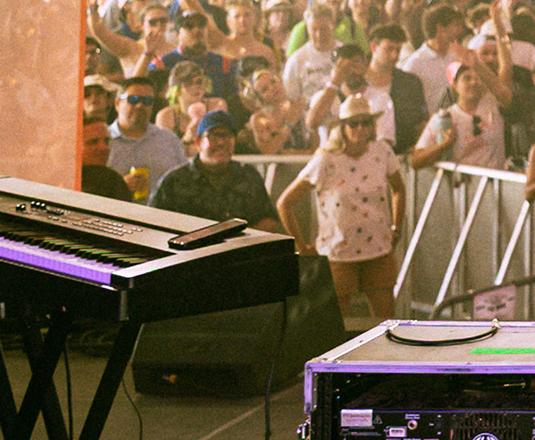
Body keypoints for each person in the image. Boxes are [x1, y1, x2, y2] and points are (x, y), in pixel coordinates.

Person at [279, 91, 406, 325]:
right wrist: (301, 245)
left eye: (365, 122)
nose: (360, 129)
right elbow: (285, 203)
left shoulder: (382, 152)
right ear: (343, 126)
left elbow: (399, 189)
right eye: (353, 123)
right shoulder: (327, 158)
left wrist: (396, 227)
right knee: (335, 325)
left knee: (386, 323)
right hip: (337, 253)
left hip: (378, 248)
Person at [150, 109, 279, 233]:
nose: (221, 142)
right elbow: (152, 225)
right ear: (198, 143)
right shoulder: (174, 181)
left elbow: (269, 220)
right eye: (213, 136)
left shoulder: (248, 175)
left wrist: (238, 240)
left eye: (227, 136)